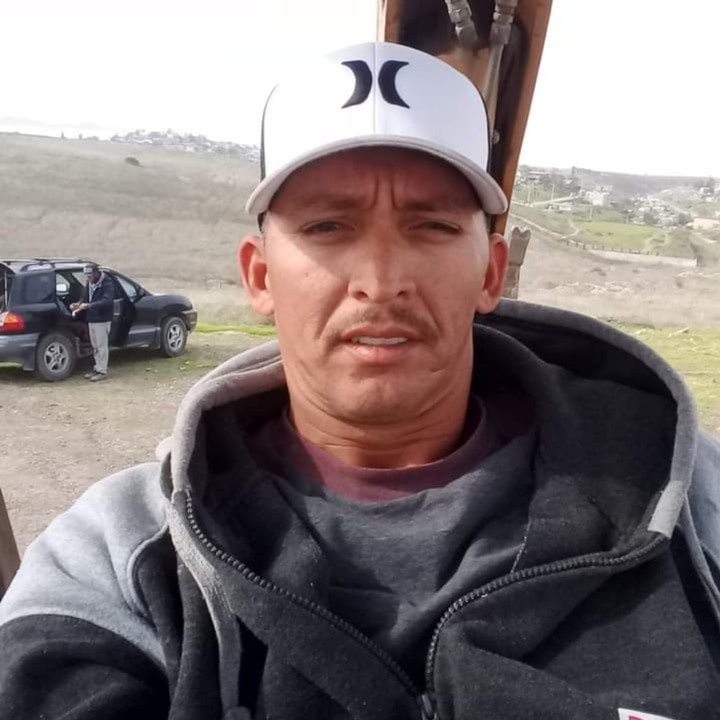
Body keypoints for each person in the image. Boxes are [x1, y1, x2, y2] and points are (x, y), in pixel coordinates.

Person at [1, 42, 720, 720]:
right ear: (260, 276)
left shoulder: (691, 506)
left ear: (491, 272)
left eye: (432, 227)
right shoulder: (121, 552)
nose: (380, 281)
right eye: (327, 227)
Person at [71, 262, 114, 381]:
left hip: (102, 319)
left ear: (96, 273)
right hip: (92, 318)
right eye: (87, 276)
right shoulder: (89, 282)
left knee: (101, 346)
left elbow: (107, 301)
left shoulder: (107, 283)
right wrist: (78, 304)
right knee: (95, 346)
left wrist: (89, 306)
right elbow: (86, 298)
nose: (88, 279)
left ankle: (102, 370)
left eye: (90, 276)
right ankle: (97, 367)